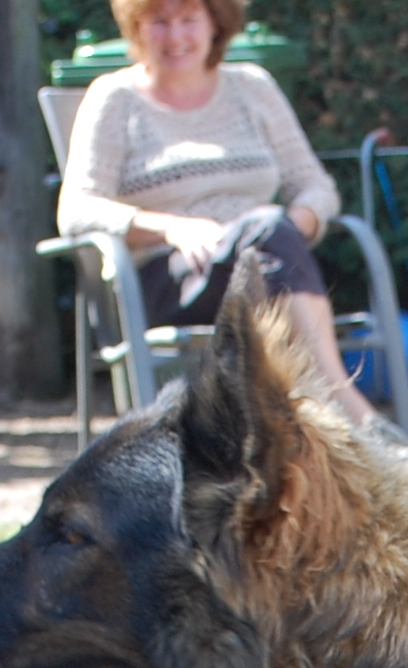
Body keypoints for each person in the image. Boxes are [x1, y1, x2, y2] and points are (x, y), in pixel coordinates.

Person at [56, 0, 381, 429]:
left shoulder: (253, 87)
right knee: (266, 231)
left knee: (267, 229)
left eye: (189, 19)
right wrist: (170, 227)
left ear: (215, 24)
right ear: (136, 27)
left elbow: (315, 186)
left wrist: (287, 229)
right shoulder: (114, 99)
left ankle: (321, 421)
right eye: (159, 21)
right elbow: (77, 209)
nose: (175, 36)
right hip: (171, 279)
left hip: (265, 265)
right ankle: (349, 411)